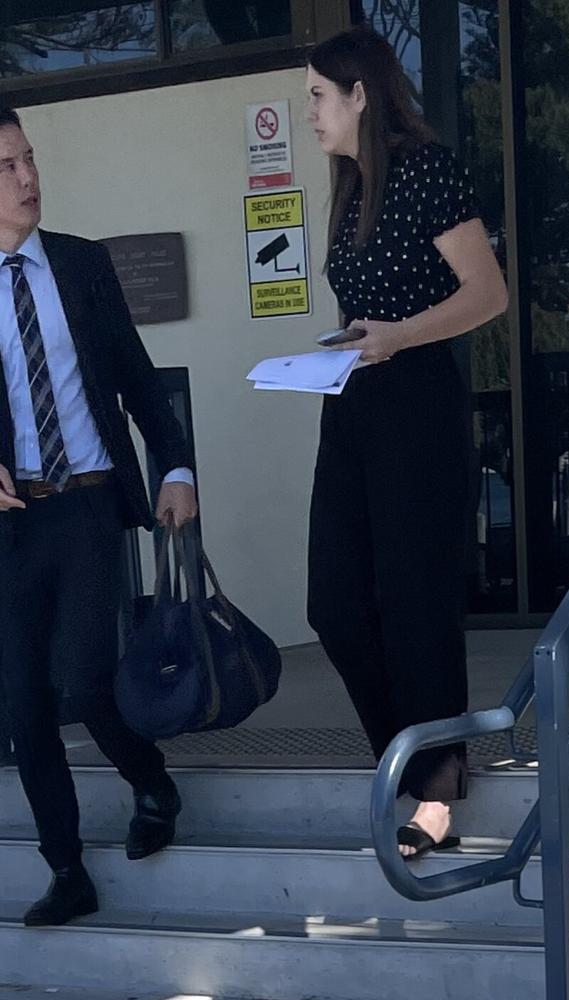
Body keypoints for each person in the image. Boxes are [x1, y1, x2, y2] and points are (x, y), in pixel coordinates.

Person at [304, 27, 508, 859]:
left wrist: (400, 337)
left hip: (416, 404)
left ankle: (436, 795)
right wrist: (352, 341)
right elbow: (373, 310)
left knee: (417, 604)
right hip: (352, 403)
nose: (309, 109)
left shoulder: (427, 170)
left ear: (360, 95)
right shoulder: (350, 185)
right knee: (335, 604)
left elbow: (488, 294)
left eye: (319, 94)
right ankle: (405, 756)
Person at [0, 108, 198, 925]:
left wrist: (176, 465)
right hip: (14, 525)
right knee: (22, 707)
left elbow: (138, 378)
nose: (28, 177)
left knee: (85, 678)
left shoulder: (82, 266)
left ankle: (151, 782)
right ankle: (67, 870)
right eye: (8, 166)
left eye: (29, 159)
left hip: (86, 505)